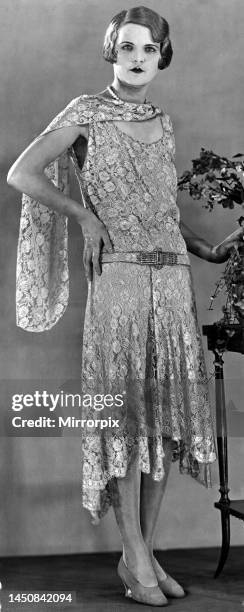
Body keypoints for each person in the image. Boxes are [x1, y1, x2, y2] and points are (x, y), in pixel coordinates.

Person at [7, 6, 244, 607]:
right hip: (119, 282)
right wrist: (84, 216)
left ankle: (143, 552)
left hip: (173, 284)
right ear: (112, 51)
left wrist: (206, 248)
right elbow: (22, 173)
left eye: (149, 49)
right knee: (125, 418)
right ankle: (134, 553)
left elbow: (161, 209)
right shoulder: (86, 112)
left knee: (162, 419)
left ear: (161, 56)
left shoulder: (162, 121)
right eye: (128, 47)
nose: (138, 58)